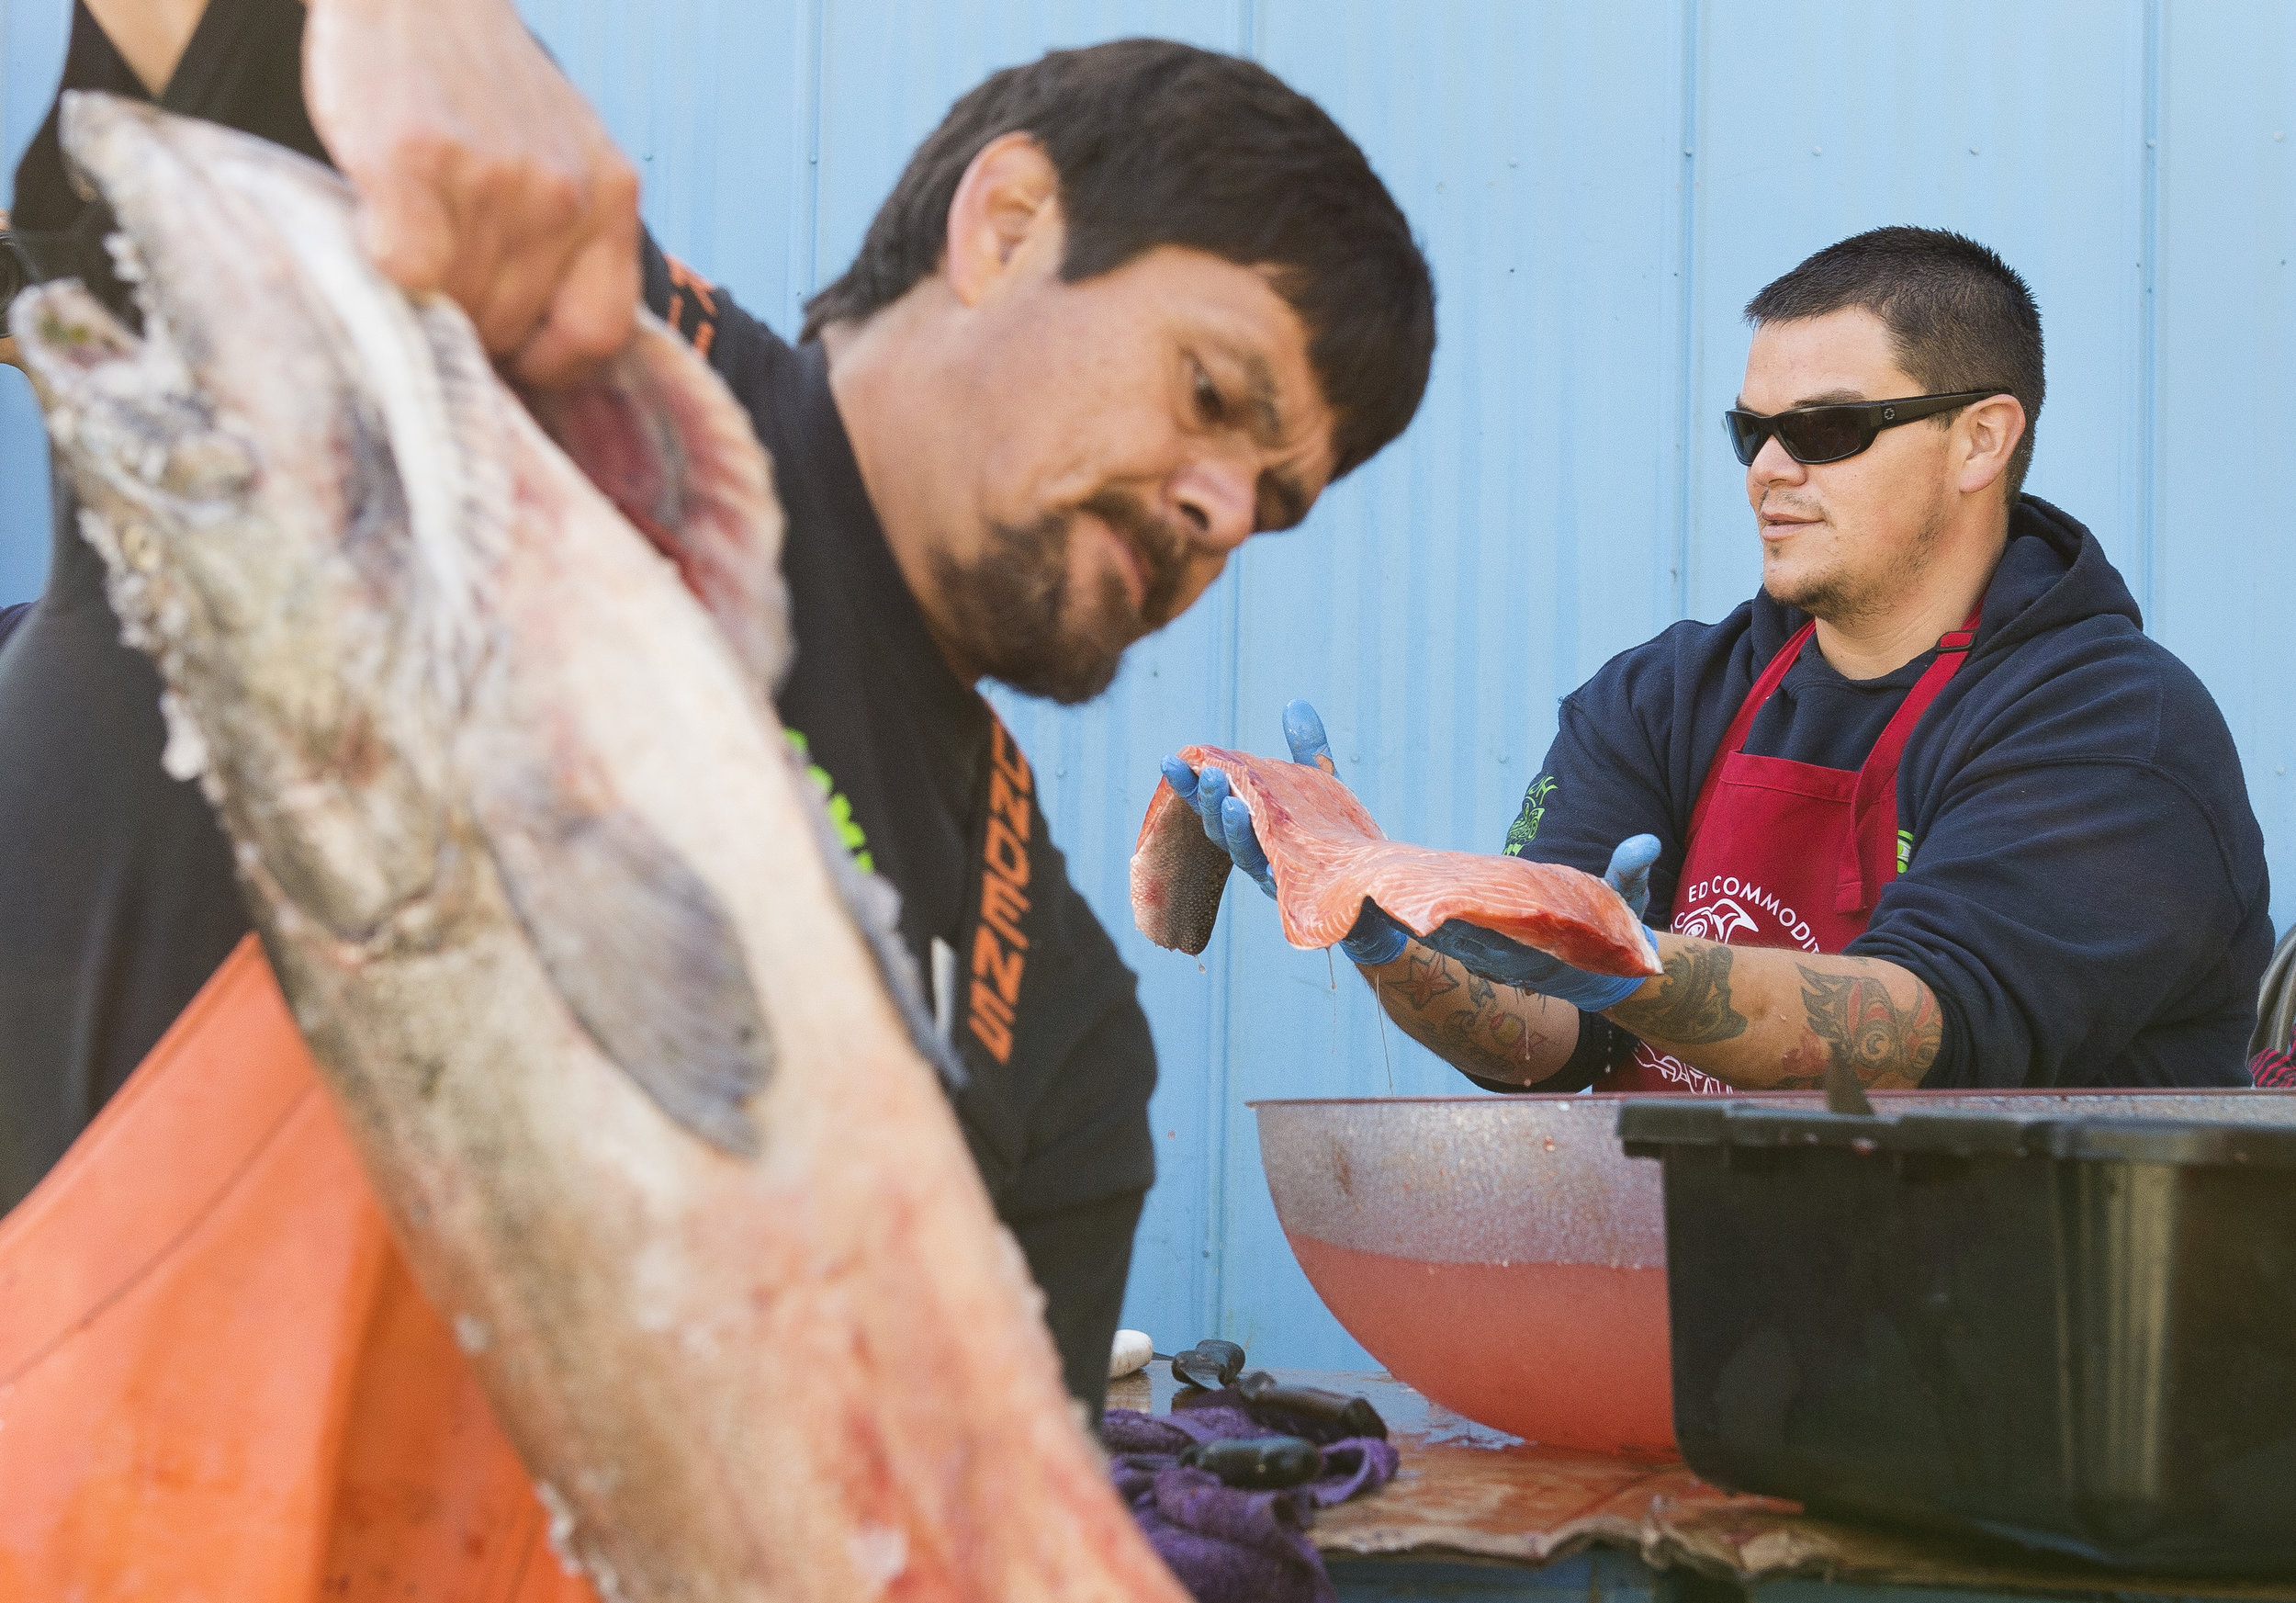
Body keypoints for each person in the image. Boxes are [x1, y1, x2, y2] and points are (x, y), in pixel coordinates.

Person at [1, 0, 1433, 1571]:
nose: (1222, 508)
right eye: (1213, 395)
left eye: (1274, 505)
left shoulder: (1066, 1033)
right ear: (1009, 224)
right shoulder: (505, 338)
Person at [1175, 227, 2268, 1093]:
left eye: (1830, 431)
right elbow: (1553, 1042)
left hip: (2007, 1330)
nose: (1771, 470)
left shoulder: (2114, 728)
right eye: (1753, 432)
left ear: (1980, 439)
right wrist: (1391, 930)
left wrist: (1625, 957)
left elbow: (1920, 1031)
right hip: (1701, 1302)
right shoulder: (1663, 694)